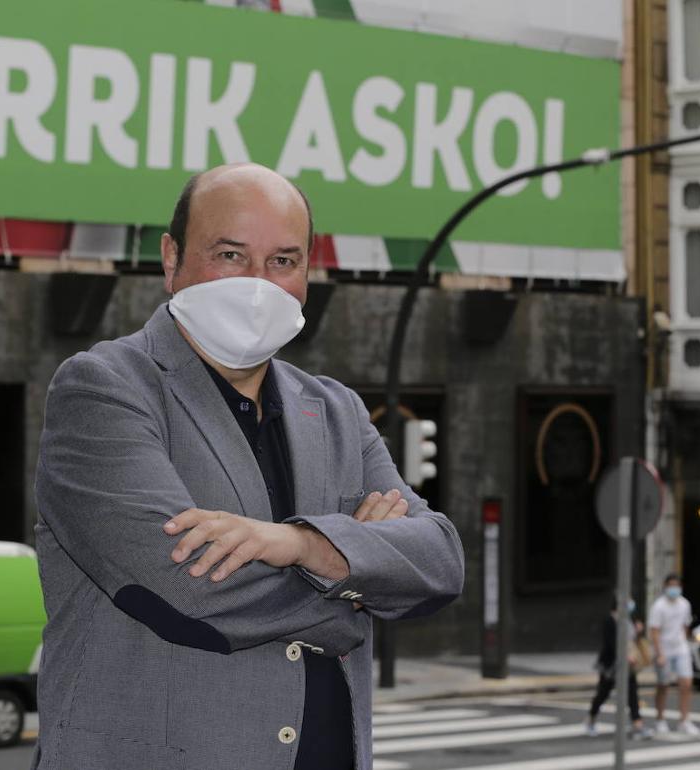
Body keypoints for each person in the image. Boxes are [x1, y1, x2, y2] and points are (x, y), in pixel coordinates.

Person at [33, 163, 465, 770]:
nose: (259, 283)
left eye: (283, 261)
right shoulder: (104, 390)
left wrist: (300, 544)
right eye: (231, 254)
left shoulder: (336, 408)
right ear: (171, 258)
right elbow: (186, 592)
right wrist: (356, 583)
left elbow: (440, 562)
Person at [586, 597, 653, 739]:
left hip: (629, 665)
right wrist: (624, 655)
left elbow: (633, 640)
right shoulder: (610, 620)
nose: (630, 605)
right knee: (603, 693)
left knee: (632, 694)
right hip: (612, 665)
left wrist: (639, 631)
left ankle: (637, 724)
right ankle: (591, 719)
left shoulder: (629, 620)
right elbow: (611, 643)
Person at [648, 573, 700, 735]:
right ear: (665, 587)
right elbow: (654, 631)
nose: (674, 589)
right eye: (671, 586)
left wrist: (686, 642)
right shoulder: (658, 606)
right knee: (663, 685)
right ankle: (660, 719)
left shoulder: (684, 604)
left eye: (677, 586)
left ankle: (684, 720)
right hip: (664, 649)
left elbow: (685, 626)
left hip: (680, 649)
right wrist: (659, 654)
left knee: (686, 684)